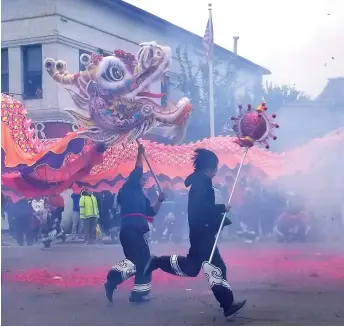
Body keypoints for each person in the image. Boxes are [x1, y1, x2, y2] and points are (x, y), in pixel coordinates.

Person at [143, 148, 247, 320]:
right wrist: (221, 208)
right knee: (217, 267)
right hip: (202, 233)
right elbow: (200, 209)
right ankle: (228, 305)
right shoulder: (202, 184)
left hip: (200, 232)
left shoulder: (200, 182)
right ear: (210, 168)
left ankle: (158, 261)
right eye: (216, 169)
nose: (216, 173)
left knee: (191, 268)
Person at [104, 144, 165, 304]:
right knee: (143, 261)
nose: (144, 181)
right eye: (142, 178)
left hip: (137, 230)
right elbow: (138, 169)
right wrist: (140, 153)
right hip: (131, 229)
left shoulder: (141, 196)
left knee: (137, 261)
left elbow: (152, 212)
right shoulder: (129, 188)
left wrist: (159, 200)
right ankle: (128, 290)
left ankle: (121, 285)